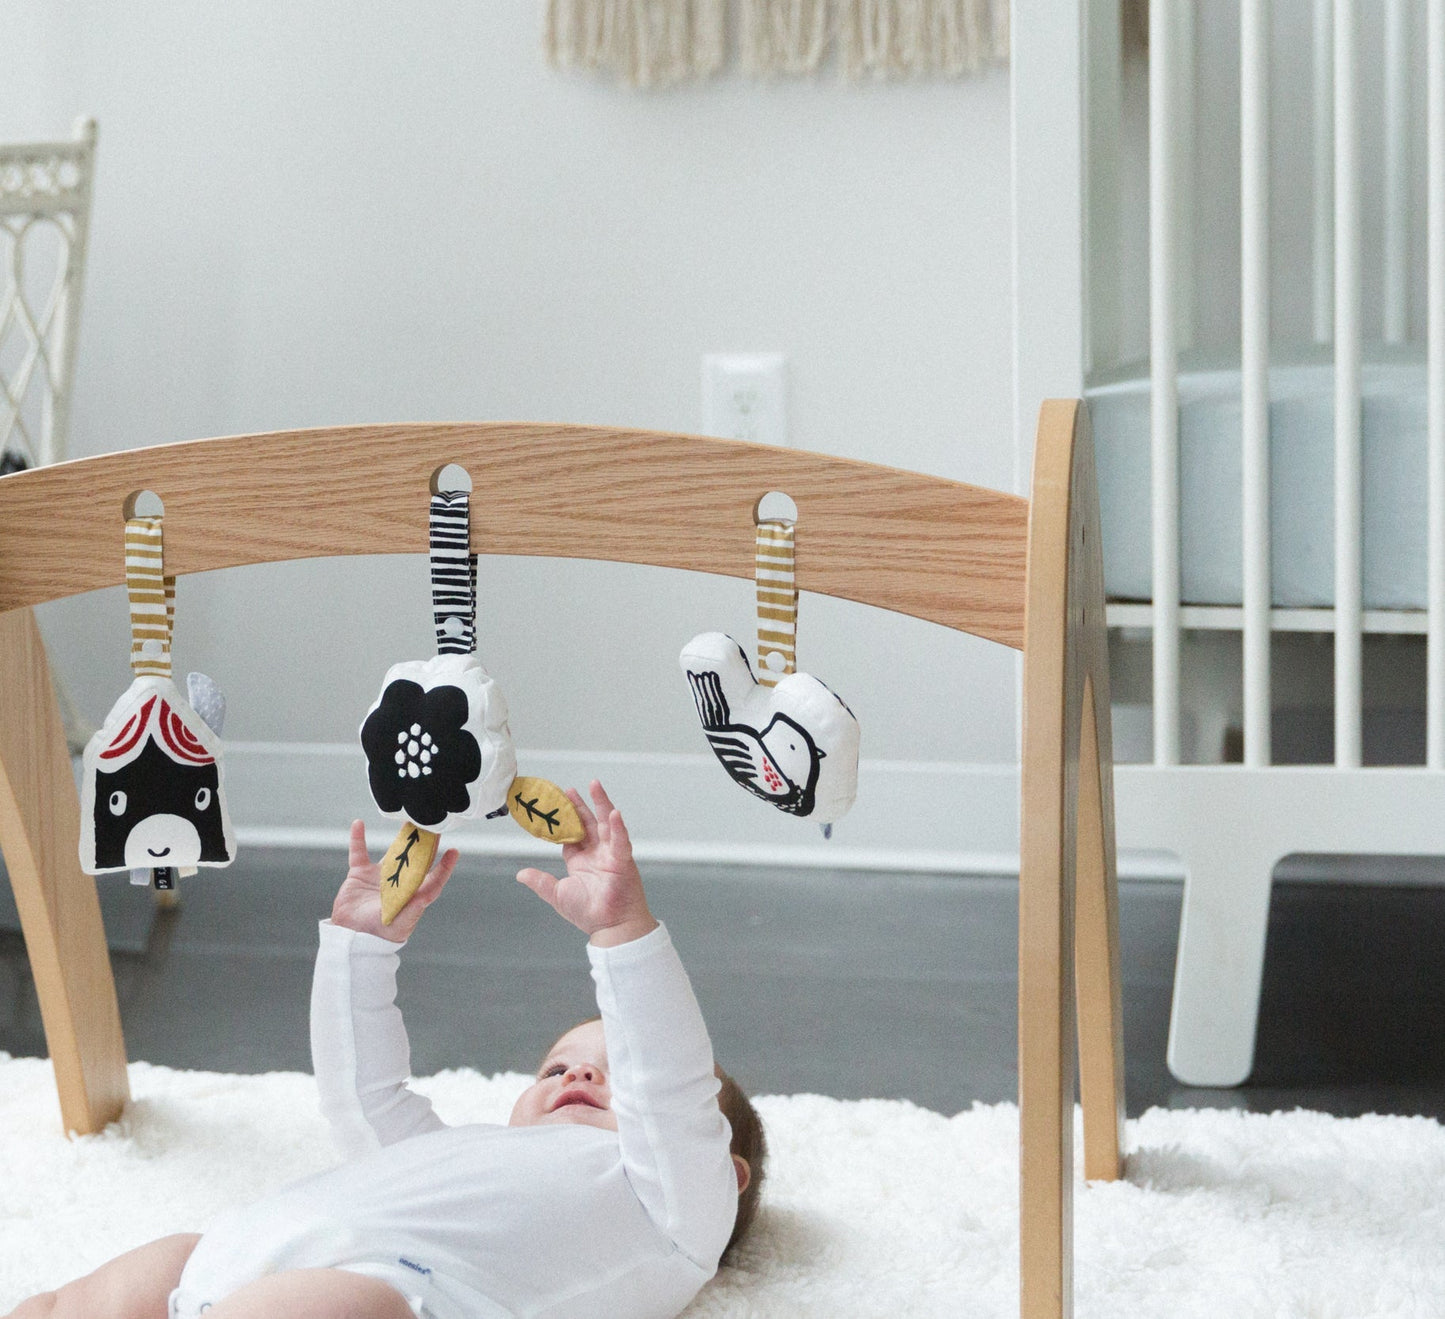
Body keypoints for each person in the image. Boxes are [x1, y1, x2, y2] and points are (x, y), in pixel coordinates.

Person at [9, 781, 765, 1319]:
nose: (579, 1071)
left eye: (619, 1071)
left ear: (723, 1175)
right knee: (77, 1300)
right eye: (556, 1065)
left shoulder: (670, 1209)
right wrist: (360, 945)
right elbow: (362, 1092)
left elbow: (670, 1082)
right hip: (232, 1250)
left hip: (392, 1290)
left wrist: (621, 931)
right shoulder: (448, 1150)